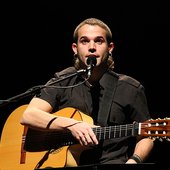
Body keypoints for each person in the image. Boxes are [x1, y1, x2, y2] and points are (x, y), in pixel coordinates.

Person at [20, 18, 154, 167]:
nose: (92, 47)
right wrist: (72, 125)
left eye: (99, 41)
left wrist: (134, 161)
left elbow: (147, 134)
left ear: (110, 48)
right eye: (84, 41)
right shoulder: (63, 80)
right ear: (75, 48)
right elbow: (29, 115)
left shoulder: (131, 88)